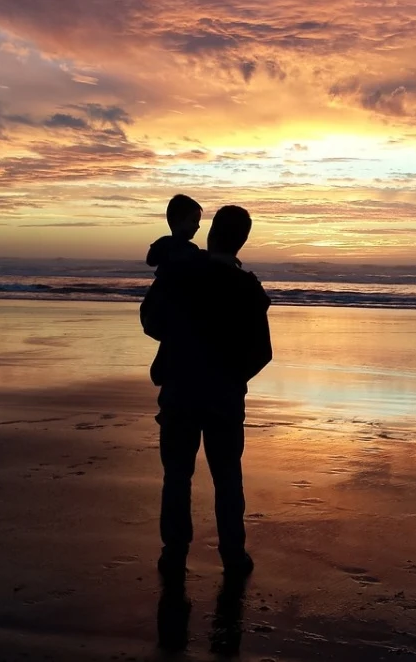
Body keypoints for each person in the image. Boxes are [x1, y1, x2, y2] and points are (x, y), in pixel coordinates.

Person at [140, 205, 272, 580]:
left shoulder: (180, 275)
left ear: (211, 233)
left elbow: (151, 322)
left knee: (177, 476)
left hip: (181, 393)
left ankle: (174, 553)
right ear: (242, 240)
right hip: (223, 400)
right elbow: (262, 353)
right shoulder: (246, 288)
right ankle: (233, 554)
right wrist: (233, 378)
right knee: (228, 478)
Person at [146, 194, 203, 270]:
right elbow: (151, 261)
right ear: (178, 220)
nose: (197, 226)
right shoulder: (190, 249)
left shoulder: (163, 242)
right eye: (194, 221)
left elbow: (151, 261)